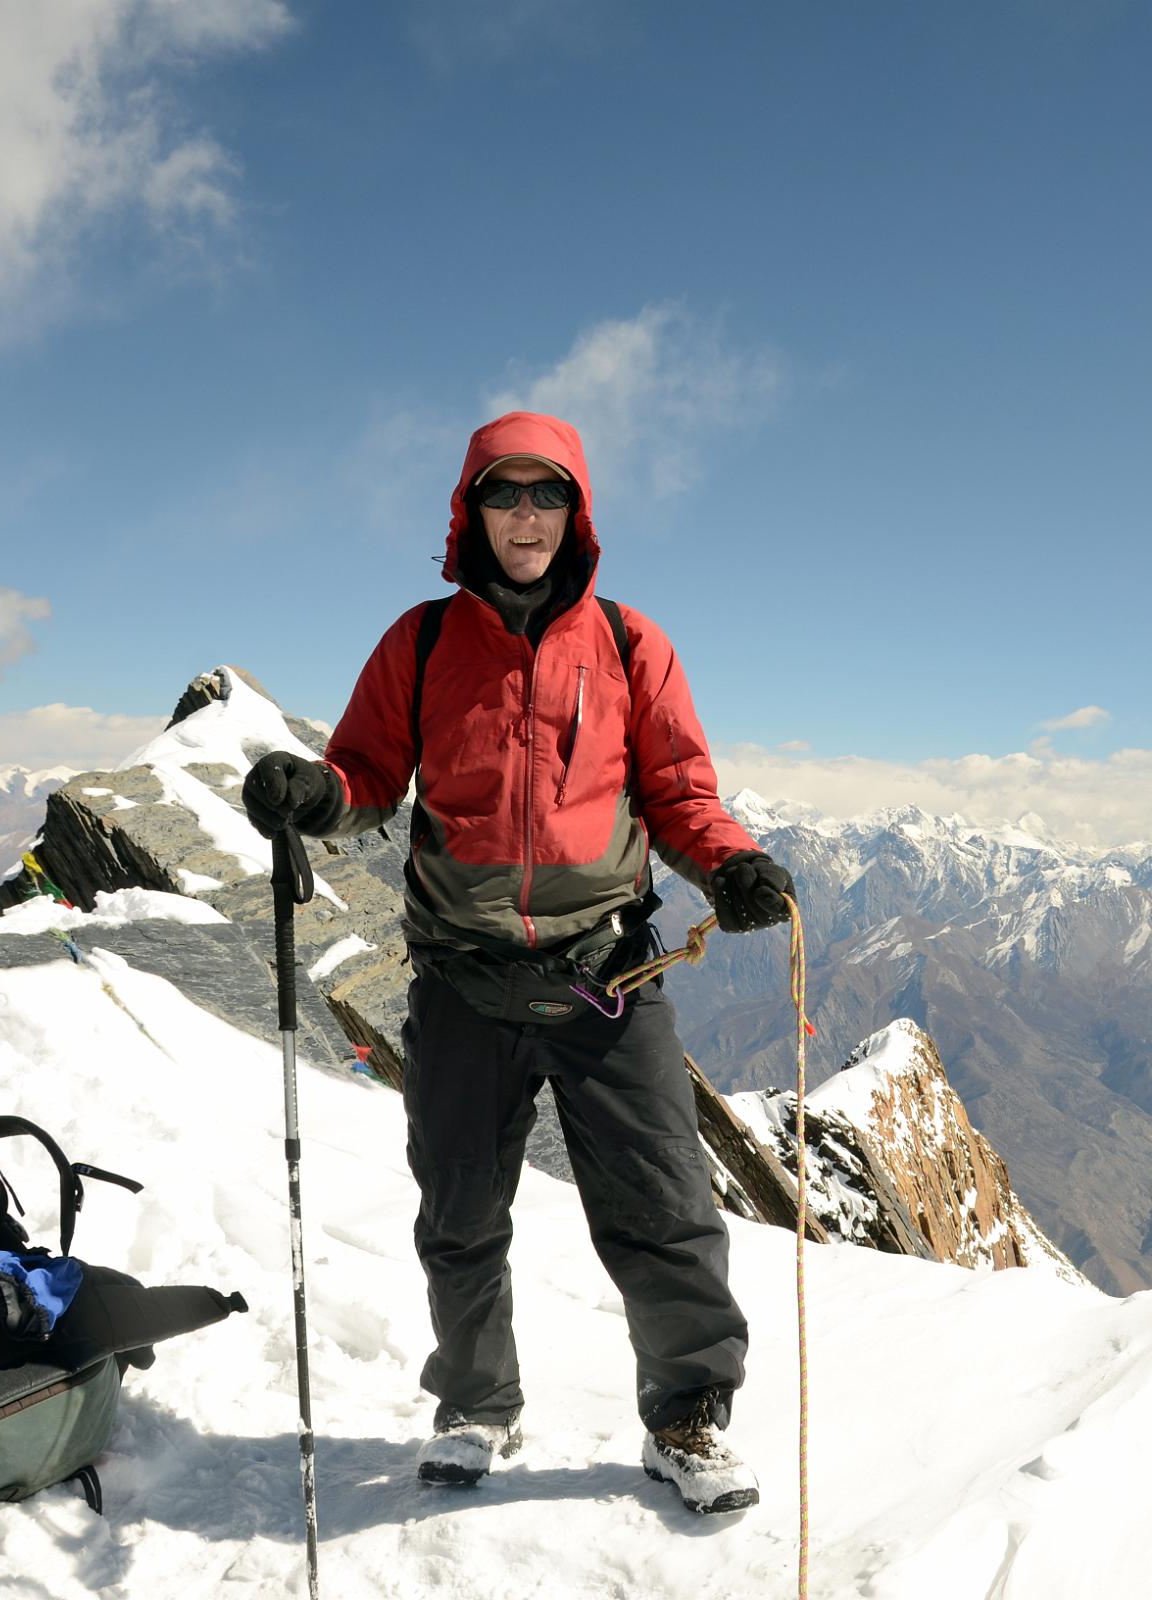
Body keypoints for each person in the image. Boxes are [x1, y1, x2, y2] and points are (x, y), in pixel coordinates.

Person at [242, 409, 795, 1516]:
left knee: (664, 1204)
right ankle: (476, 1403)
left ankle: (686, 1414)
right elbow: (365, 772)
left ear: (576, 511)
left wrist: (726, 864)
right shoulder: (425, 643)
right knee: (458, 1208)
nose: (525, 515)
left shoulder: (633, 645)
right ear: (471, 510)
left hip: (606, 975)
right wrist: (317, 794)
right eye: (505, 493)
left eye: (546, 494)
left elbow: (678, 791)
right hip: (462, 978)